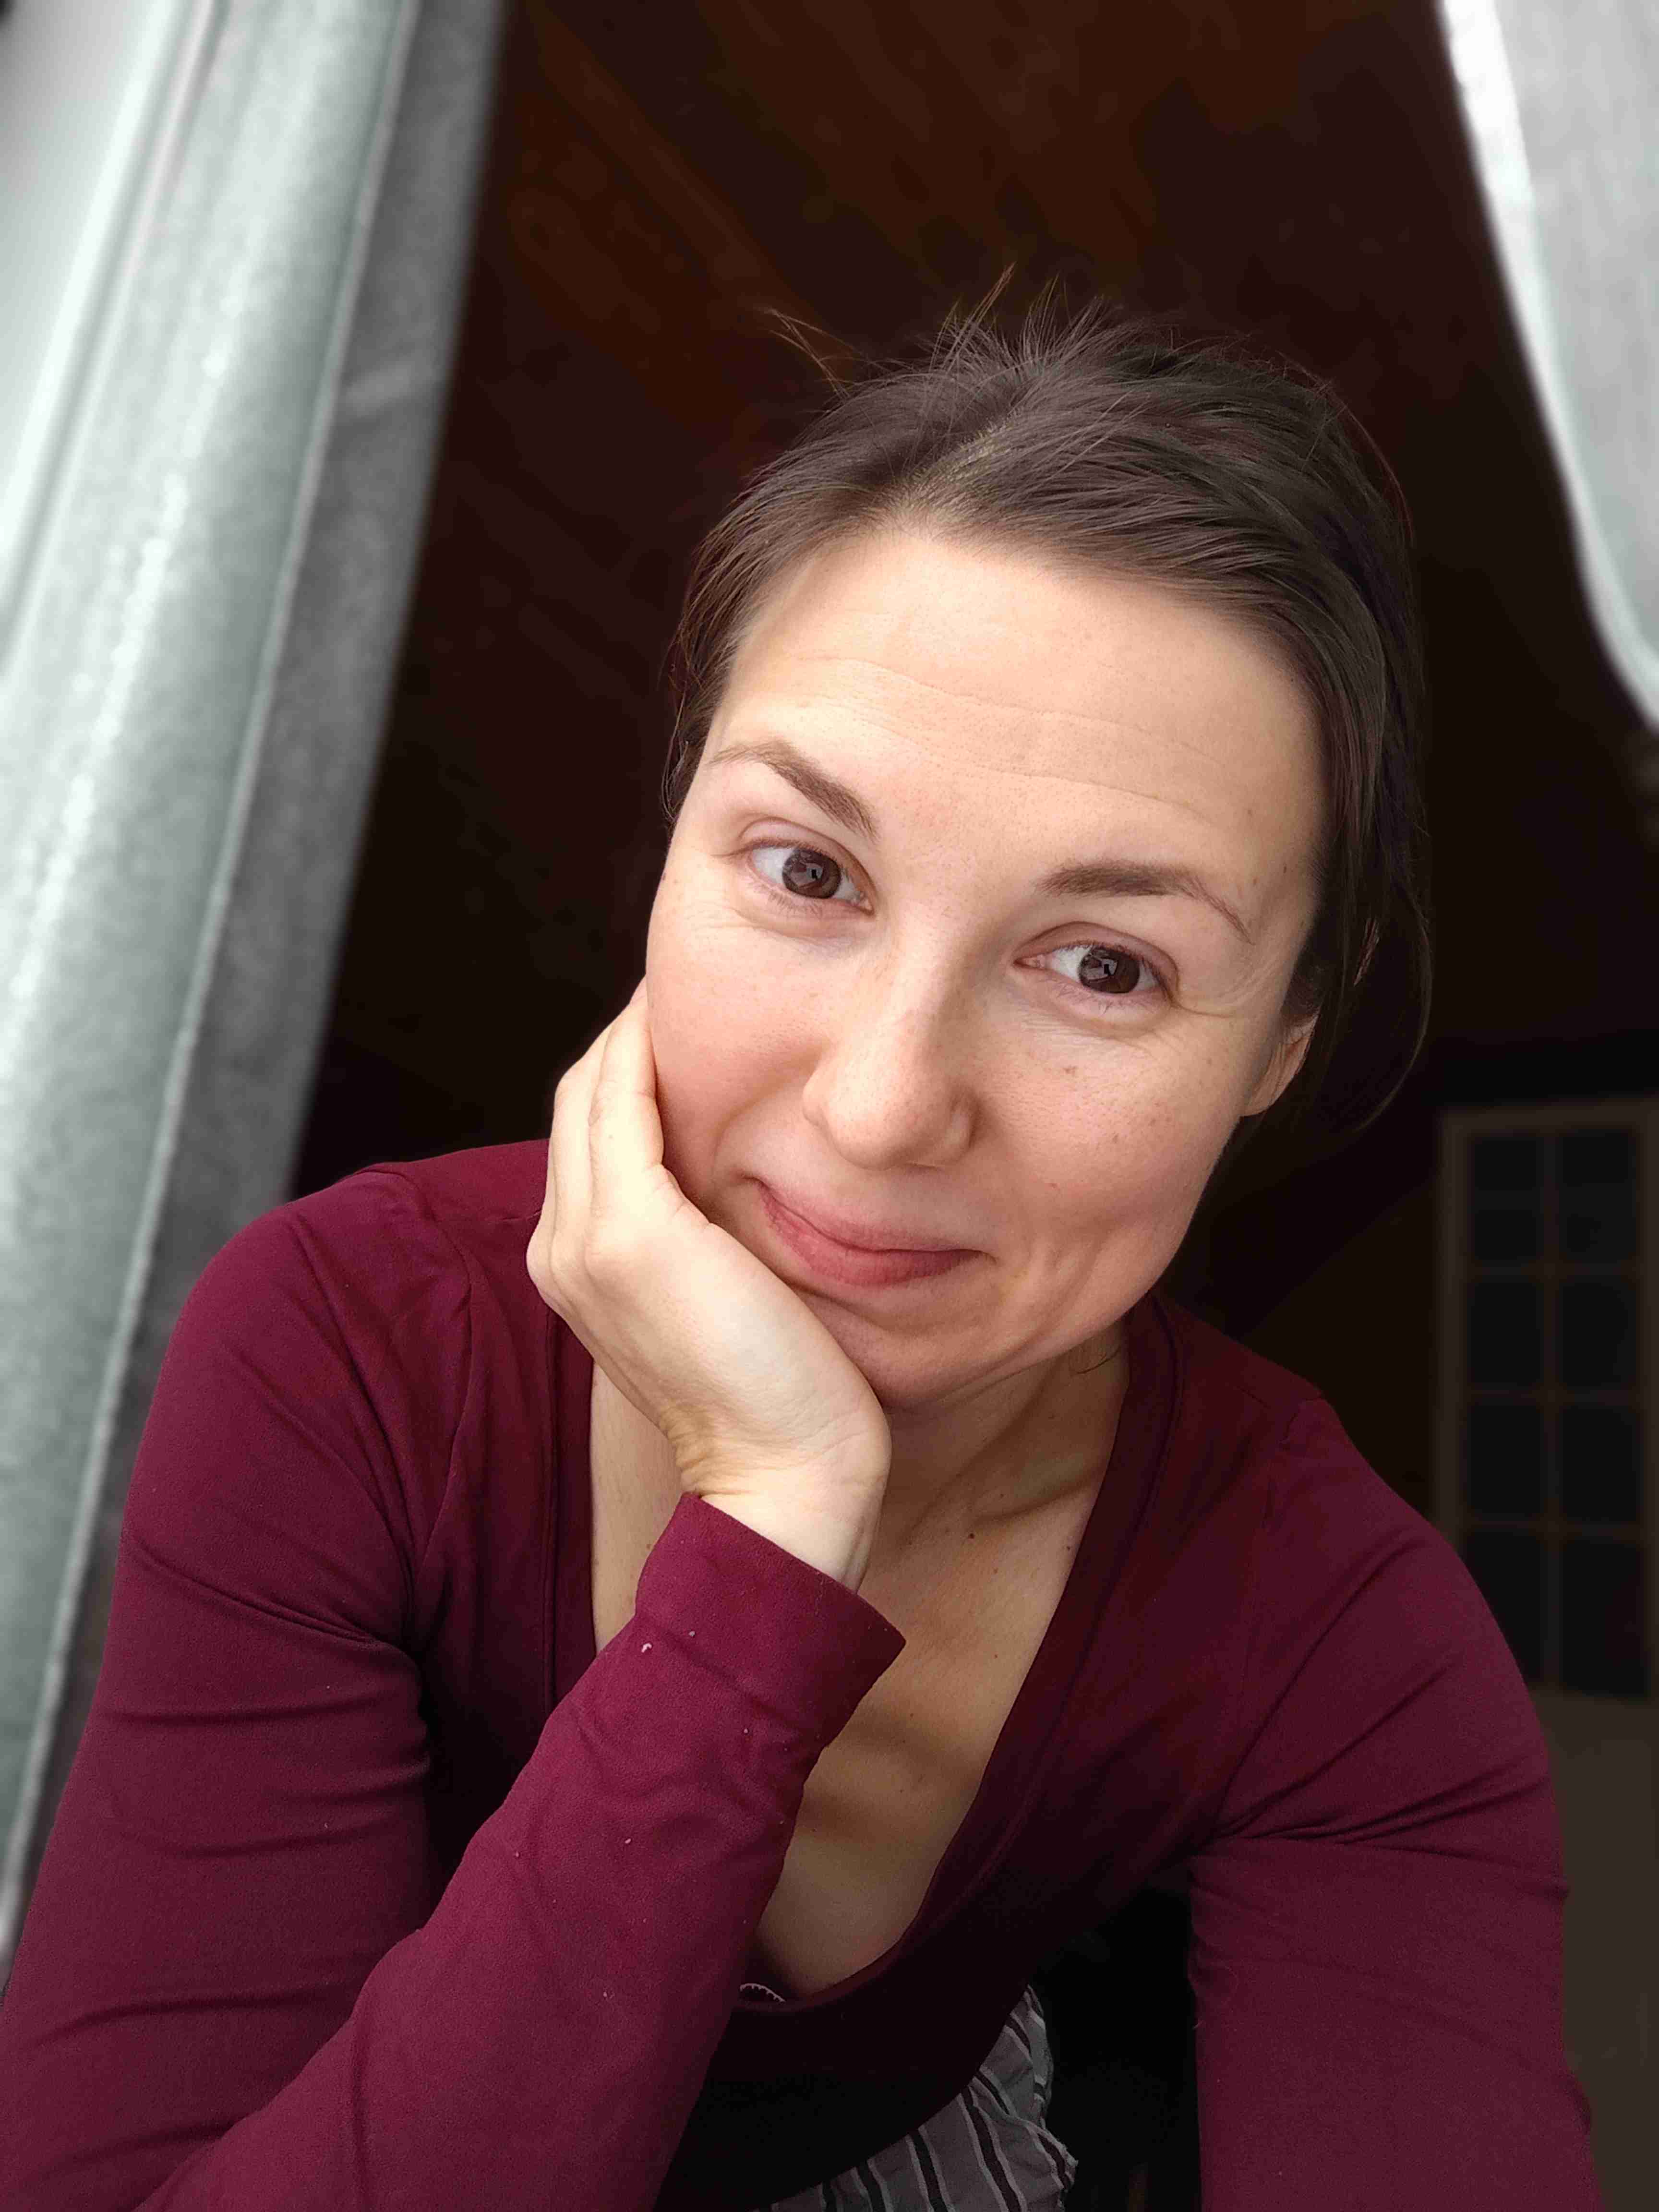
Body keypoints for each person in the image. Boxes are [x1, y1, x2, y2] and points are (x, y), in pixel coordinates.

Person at [0, 277, 1602, 2212]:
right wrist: (770, 1534)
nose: (881, 1106)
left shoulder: (1347, 1643)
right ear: (677, 839)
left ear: (1281, 1043)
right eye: (810, 869)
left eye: (1106, 966)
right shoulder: (349, 1347)